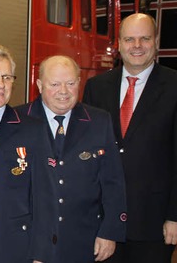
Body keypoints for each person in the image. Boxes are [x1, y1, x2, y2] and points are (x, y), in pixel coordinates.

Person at [83, 13, 177, 263]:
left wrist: (175, 215)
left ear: (156, 41)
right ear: (119, 43)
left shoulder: (174, 86)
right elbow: (86, 153)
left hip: (153, 224)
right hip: (102, 223)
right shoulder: (95, 87)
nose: (137, 46)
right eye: (129, 39)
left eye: (144, 38)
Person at [16, 55, 126, 262]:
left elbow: (113, 182)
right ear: (39, 85)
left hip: (84, 240)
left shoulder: (99, 121)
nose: (63, 92)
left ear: (79, 82)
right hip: (31, 239)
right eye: (55, 84)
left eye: (70, 83)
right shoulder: (18, 120)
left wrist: (110, 231)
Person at [0, 44, 56, 263]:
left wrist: (40, 254)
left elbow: (45, 197)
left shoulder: (33, 129)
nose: (0, 84)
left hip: (14, 250)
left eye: (7, 77)